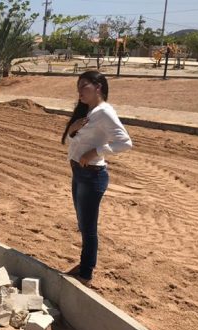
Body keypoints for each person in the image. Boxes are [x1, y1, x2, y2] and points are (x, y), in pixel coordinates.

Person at [61, 70, 132, 286]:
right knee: (83, 224)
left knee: (89, 227)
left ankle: (86, 274)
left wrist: (96, 152)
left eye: (84, 86)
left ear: (98, 86)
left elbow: (125, 142)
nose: (80, 91)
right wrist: (72, 131)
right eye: (78, 87)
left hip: (92, 176)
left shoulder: (104, 112)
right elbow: (73, 143)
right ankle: (84, 263)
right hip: (79, 173)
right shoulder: (89, 111)